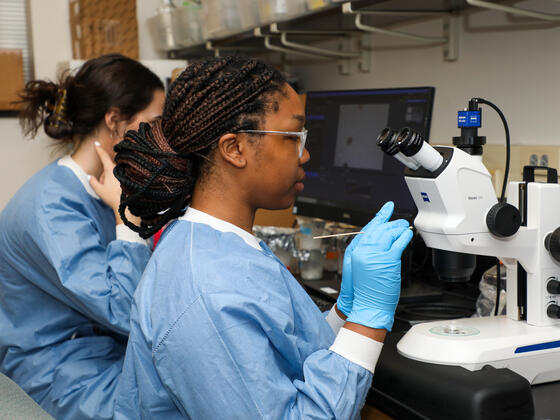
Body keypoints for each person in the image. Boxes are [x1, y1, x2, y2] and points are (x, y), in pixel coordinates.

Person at [113, 56, 413, 419]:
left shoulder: (218, 243)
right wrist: (367, 322)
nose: (305, 154)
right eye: (293, 137)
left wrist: (344, 312)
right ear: (235, 148)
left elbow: (281, 353)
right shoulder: (207, 290)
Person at [0, 54, 165, 420]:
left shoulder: (98, 190)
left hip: (98, 353)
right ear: (115, 121)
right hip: (57, 374)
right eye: (153, 125)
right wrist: (127, 218)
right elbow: (121, 310)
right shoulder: (50, 206)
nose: (161, 140)